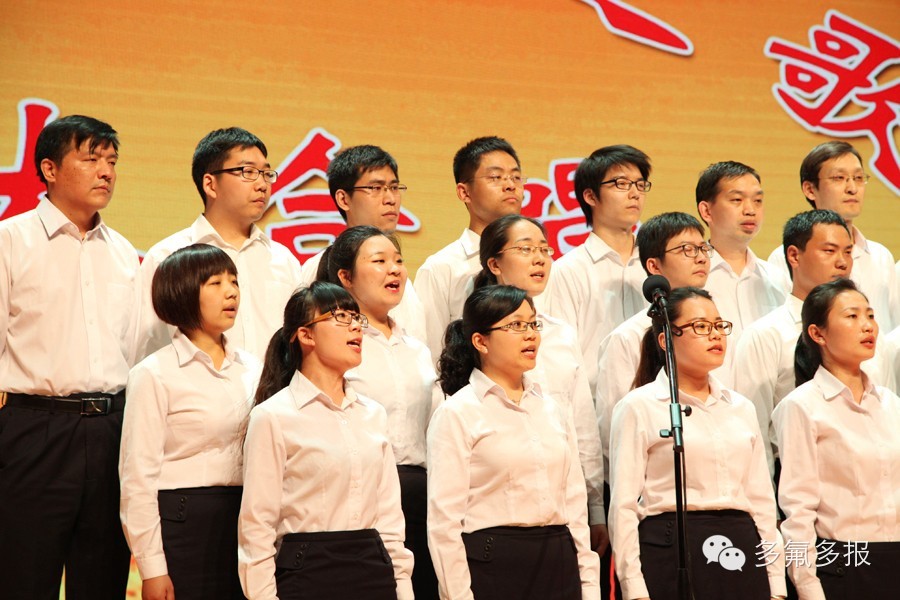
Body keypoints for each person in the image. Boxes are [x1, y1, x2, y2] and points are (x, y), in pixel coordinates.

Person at [0, 115, 141, 599]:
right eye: (91, 159)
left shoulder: (123, 252)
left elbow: (134, 350)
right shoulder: (10, 240)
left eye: (112, 161)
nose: (106, 172)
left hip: (111, 431)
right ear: (50, 169)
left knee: (102, 580)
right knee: (23, 578)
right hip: (33, 430)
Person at [238, 282, 413, 600]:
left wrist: (403, 590)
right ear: (306, 335)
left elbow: (390, 520)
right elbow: (257, 528)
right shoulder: (273, 416)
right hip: (307, 574)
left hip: (373, 572)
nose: (356, 327)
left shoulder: (373, 414)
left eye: (356, 318)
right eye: (341, 317)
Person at [608, 287, 786, 600]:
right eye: (701, 326)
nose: (715, 335)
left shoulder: (740, 407)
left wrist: (776, 584)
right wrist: (634, 588)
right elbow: (623, 506)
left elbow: (761, 502)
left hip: (741, 547)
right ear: (666, 339)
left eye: (719, 325)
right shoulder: (639, 406)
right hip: (670, 546)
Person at [428, 285, 601, 599]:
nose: (531, 335)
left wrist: (590, 587)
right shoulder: (457, 412)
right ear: (480, 341)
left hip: (559, 559)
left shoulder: (552, 409)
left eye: (533, 324)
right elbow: (444, 524)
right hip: (494, 564)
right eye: (516, 325)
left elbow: (574, 506)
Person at [120, 244, 260, 600]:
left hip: (247, 520)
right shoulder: (154, 373)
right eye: (216, 283)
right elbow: (137, 478)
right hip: (185, 525)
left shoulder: (252, 369)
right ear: (182, 292)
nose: (231, 292)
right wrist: (152, 569)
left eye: (234, 281)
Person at [318, 225, 441, 599]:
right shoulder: (336, 346)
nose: (394, 270)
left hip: (418, 495)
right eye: (379, 261)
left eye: (398, 261)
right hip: (360, 494)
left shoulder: (417, 349)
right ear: (346, 277)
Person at [473, 214, 607, 555]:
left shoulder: (561, 334)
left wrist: (595, 509)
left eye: (544, 250)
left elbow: (582, 425)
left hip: (564, 500)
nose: (539, 259)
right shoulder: (476, 334)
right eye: (525, 249)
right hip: (498, 506)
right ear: (494, 263)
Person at [733, 210, 893, 473]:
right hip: (795, 475)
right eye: (829, 251)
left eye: (848, 252)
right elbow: (754, 431)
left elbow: (887, 419)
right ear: (794, 256)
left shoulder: (873, 337)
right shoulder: (766, 335)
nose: (842, 263)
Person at [773, 278, 900, 599]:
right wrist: (806, 586)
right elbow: (798, 510)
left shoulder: (891, 404)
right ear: (818, 334)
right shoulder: (801, 406)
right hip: (843, 564)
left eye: (870, 315)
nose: (867, 325)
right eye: (852, 316)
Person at [140, 126, 302, 360]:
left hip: (273, 384)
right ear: (210, 184)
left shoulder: (282, 259)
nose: (262, 184)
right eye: (248, 172)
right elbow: (148, 345)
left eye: (266, 173)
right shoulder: (167, 256)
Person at [596, 211, 712, 473]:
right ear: (654, 266)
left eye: (703, 248)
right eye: (686, 249)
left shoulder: (715, 328)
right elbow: (613, 432)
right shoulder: (627, 338)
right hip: (654, 481)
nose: (701, 257)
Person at [546, 144, 651, 395]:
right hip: (594, 403)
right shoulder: (567, 270)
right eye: (621, 184)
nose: (634, 193)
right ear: (591, 196)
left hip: (655, 402)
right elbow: (561, 355)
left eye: (640, 184)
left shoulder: (655, 264)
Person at [415, 136, 524, 361]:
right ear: (464, 192)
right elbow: (431, 353)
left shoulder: (537, 264)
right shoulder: (441, 268)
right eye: (495, 177)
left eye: (516, 177)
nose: (510, 185)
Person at [767, 141, 898, 330]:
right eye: (839, 178)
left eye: (858, 178)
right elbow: (783, 324)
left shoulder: (880, 256)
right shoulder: (786, 257)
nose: (852, 188)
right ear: (810, 189)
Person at [300, 145, 426, 341]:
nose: (390, 199)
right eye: (375, 188)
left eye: (394, 188)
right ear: (343, 199)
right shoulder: (318, 267)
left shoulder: (401, 280)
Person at [695, 161, 787, 377]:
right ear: (706, 211)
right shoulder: (692, 277)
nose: (750, 210)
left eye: (758, 201)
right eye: (737, 200)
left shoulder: (777, 278)